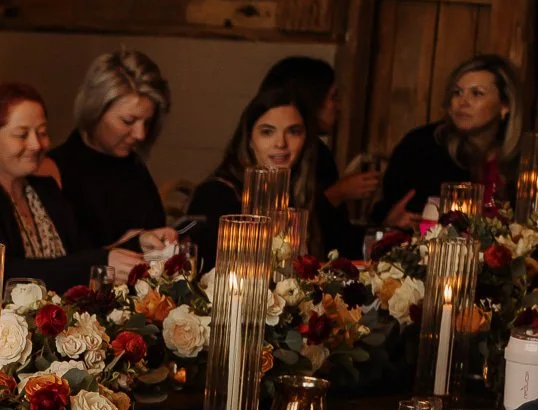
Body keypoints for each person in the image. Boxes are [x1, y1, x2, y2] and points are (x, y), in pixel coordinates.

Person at [0, 83, 136, 290]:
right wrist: (98, 261)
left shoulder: (46, 190)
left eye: (42, 132)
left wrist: (137, 243)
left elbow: (81, 255)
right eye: (22, 135)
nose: (36, 144)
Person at [49, 48, 180, 255]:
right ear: (95, 111)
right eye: (128, 121)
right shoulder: (56, 171)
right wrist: (124, 248)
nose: (140, 134)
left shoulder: (134, 167)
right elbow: (63, 264)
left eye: (147, 122)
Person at [377, 53, 525, 229]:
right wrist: (389, 223)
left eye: (477, 93)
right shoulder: (422, 148)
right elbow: (386, 215)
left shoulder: (521, 160)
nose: (463, 102)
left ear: (505, 106)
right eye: (457, 92)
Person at [181, 87, 320, 268]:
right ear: (249, 139)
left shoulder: (301, 192)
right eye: (267, 132)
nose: (281, 143)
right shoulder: (217, 194)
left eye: (293, 132)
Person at [262, 54, 376, 253]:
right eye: (333, 97)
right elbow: (283, 232)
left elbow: (338, 238)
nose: (338, 107)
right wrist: (338, 193)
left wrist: (385, 228)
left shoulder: (318, 151)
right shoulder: (277, 156)